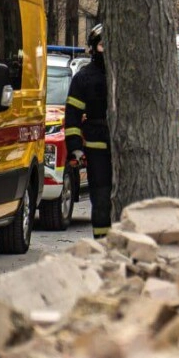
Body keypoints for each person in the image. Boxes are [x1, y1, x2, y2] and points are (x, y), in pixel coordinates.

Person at [64, 24, 112, 239]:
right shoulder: (84, 78)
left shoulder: (129, 76)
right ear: (94, 48)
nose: (107, 50)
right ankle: (102, 241)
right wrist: (75, 147)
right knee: (101, 196)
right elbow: (72, 114)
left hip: (126, 147)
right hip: (96, 147)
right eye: (103, 45)